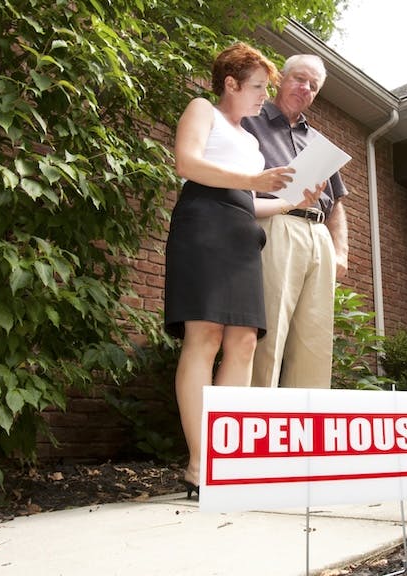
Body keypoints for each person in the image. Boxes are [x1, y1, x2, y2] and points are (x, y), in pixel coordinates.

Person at [164, 43, 320, 496]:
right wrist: (253, 180)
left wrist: (292, 201)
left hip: (241, 233)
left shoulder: (252, 142)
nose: (261, 97)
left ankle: (227, 462)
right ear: (229, 84)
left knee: (245, 342)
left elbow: (249, 202)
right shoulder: (201, 110)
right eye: (255, 88)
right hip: (203, 227)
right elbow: (186, 163)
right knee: (205, 336)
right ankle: (199, 465)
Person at [243, 54, 350, 391]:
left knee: (315, 340)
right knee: (268, 331)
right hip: (275, 225)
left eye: (313, 86)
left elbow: (337, 204)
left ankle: (305, 433)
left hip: (319, 236)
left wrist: (341, 252)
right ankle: (257, 426)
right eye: (300, 79)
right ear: (282, 79)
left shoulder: (319, 142)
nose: (305, 89)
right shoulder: (249, 122)